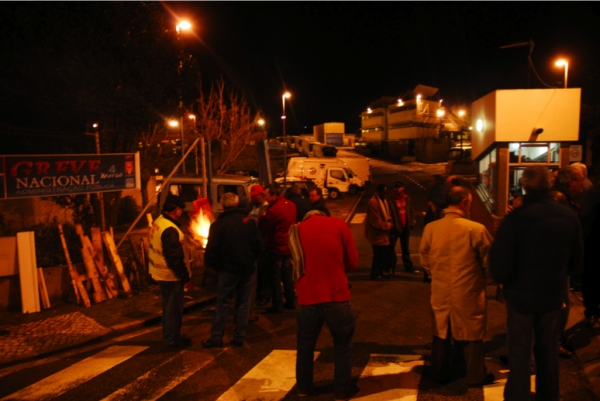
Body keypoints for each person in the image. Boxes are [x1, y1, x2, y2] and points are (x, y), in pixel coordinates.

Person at [490, 166, 583, 401]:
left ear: (525, 186)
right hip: (552, 294)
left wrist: (504, 282)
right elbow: (577, 258)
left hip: (520, 296)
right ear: (548, 186)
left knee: (520, 352)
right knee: (548, 351)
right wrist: (560, 277)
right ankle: (549, 395)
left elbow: (500, 259)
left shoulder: (516, 219)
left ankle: (517, 395)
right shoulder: (567, 216)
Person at [419, 186, 494, 387]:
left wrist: (434, 273)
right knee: (471, 332)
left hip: (441, 287)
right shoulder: (476, 229)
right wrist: (484, 279)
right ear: (464, 203)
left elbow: (424, 256)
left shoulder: (431, 228)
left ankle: (440, 372)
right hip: (469, 289)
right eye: (470, 203)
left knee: (441, 330)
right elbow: (489, 262)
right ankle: (475, 375)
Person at [291, 210, 359, 400]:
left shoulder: (296, 230)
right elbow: (352, 262)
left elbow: (295, 263)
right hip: (336, 295)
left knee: (305, 345)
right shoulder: (338, 225)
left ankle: (303, 387)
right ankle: (341, 389)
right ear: (324, 215)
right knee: (343, 344)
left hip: (307, 297)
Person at [202, 193, 264, 348]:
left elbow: (211, 251)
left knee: (223, 303)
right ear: (237, 204)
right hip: (246, 268)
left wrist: (217, 267)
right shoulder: (249, 222)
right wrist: (252, 260)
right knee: (243, 303)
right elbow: (259, 244)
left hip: (228, 269)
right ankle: (239, 337)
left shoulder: (218, 224)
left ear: (223, 205)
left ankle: (216, 338)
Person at [149, 194, 192, 348]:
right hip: (170, 275)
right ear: (176, 210)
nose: (181, 213)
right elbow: (174, 258)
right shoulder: (170, 229)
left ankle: (170, 336)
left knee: (168, 308)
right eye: (181, 209)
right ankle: (172, 340)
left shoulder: (159, 222)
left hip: (160, 274)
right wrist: (185, 277)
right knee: (173, 310)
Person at [551, 165, 585, 357]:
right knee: (561, 304)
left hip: (561, 262)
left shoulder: (564, 197)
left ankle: (555, 339)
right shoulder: (560, 199)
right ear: (570, 181)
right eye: (580, 179)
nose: (583, 182)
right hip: (559, 263)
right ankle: (554, 342)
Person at [259, 183, 297, 313]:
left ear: (274, 195)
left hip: (276, 246)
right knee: (286, 274)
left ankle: (277, 304)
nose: (265, 197)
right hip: (288, 245)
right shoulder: (291, 205)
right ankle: (291, 301)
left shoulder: (273, 210)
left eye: (266, 195)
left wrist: (262, 214)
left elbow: (263, 226)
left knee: (275, 276)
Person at [365, 184, 394, 280]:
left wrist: (389, 220)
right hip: (376, 234)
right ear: (379, 192)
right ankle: (375, 274)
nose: (386, 195)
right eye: (384, 193)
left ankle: (380, 272)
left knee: (383, 254)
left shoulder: (383, 200)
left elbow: (388, 213)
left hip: (384, 233)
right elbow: (376, 222)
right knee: (378, 255)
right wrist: (389, 225)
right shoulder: (373, 202)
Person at [389, 181, 417, 274]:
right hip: (396, 228)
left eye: (399, 187)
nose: (398, 189)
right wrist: (392, 225)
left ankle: (408, 266)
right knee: (390, 247)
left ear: (403, 188)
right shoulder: (391, 200)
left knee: (405, 248)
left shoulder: (407, 199)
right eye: (396, 187)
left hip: (405, 227)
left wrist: (411, 223)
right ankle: (390, 266)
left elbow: (411, 211)